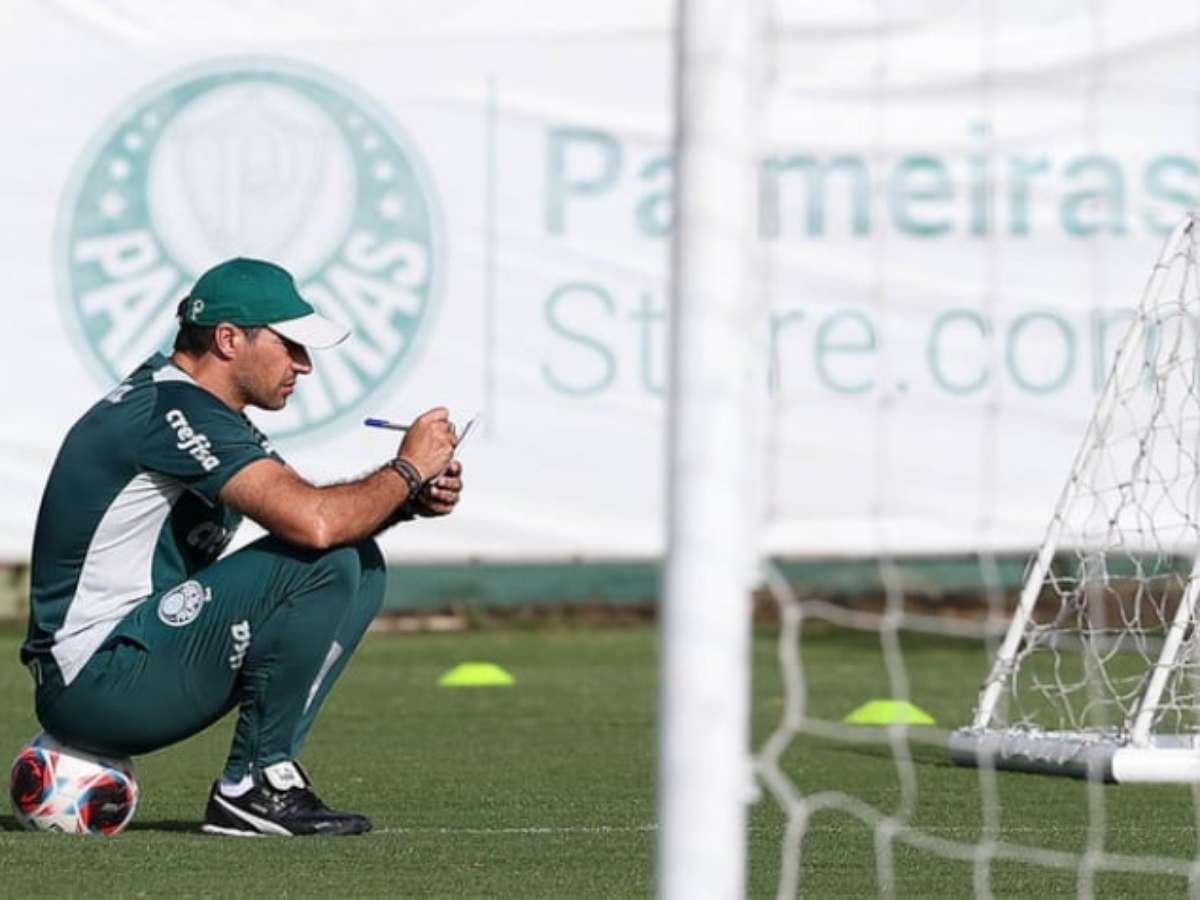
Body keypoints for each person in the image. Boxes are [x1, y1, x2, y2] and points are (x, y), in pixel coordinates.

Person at [21, 257, 463, 837]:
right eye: (290, 345)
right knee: (327, 555)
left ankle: (268, 772)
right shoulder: (171, 409)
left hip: (131, 663)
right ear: (228, 339)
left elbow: (324, 521)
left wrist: (405, 499)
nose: (303, 365)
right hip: (96, 681)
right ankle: (252, 783)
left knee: (358, 560)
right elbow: (315, 524)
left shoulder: (193, 409)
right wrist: (407, 469)